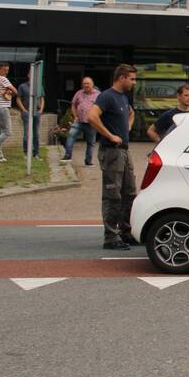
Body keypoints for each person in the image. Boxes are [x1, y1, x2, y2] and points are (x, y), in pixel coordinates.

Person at [88, 64, 138, 251]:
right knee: (112, 195)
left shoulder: (123, 97)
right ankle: (110, 237)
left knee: (129, 193)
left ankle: (125, 232)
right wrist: (110, 135)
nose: (134, 83)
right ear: (122, 78)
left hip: (124, 151)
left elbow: (131, 113)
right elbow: (92, 116)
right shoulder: (107, 96)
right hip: (112, 151)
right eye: (132, 79)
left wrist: (127, 127)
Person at [62, 77, 100, 165]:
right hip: (79, 121)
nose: (86, 85)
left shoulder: (98, 95)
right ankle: (68, 155)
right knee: (71, 135)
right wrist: (75, 116)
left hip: (91, 123)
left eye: (88, 83)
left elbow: (102, 107)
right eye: (84, 84)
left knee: (91, 143)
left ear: (92, 84)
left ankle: (88, 161)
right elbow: (73, 104)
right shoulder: (79, 93)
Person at [16, 75, 44, 159]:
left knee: (36, 134)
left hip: (37, 112)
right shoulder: (22, 86)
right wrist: (24, 110)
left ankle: (36, 153)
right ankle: (26, 152)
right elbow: (18, 99)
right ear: (28, 75)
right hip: (27, 111)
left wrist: (41, 110)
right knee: (27, 134)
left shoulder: (39, 86)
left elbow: (42, 98)